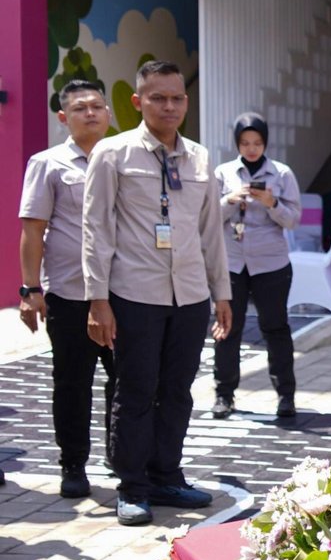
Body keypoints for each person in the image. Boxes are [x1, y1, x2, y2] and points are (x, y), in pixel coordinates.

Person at [83, 60, 231, 527]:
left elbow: (211, 232)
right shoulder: (112, 154)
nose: (169, 106)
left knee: (178, 391)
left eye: (177, 98)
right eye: (158, 98)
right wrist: (97, 300)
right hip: (134, 293)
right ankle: (132, 485)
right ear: (137, 101)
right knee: (136, 390)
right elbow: (96, 229)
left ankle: (167, 474)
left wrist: (221, 293)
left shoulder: (201, 158)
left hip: (188, 296)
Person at [18, 79, 118, 498]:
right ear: (64, 117)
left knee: (128, 380)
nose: (91, 113)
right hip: (70, 294)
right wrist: (29, 289)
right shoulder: (47, 163)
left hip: (124, 292)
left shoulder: (127, 158)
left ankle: (124, 455)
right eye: (80, 108)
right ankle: (73, 464)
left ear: (109, 112)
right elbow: (33, 229)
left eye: (97, 105)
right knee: (73, 383)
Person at [210, 112, 301, 420]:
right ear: (237, 143)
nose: (251, 149)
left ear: (265, 143)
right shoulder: (223, 172)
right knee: (227, 328)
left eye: (257, 143)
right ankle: (224, 394)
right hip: (231, 262)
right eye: (245, 143)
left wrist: (271, 203)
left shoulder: (282, 173)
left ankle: (286, 395)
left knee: (275, 327)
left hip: (270, 262)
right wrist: (229, 200)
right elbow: (206, 217)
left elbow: (293, 220)